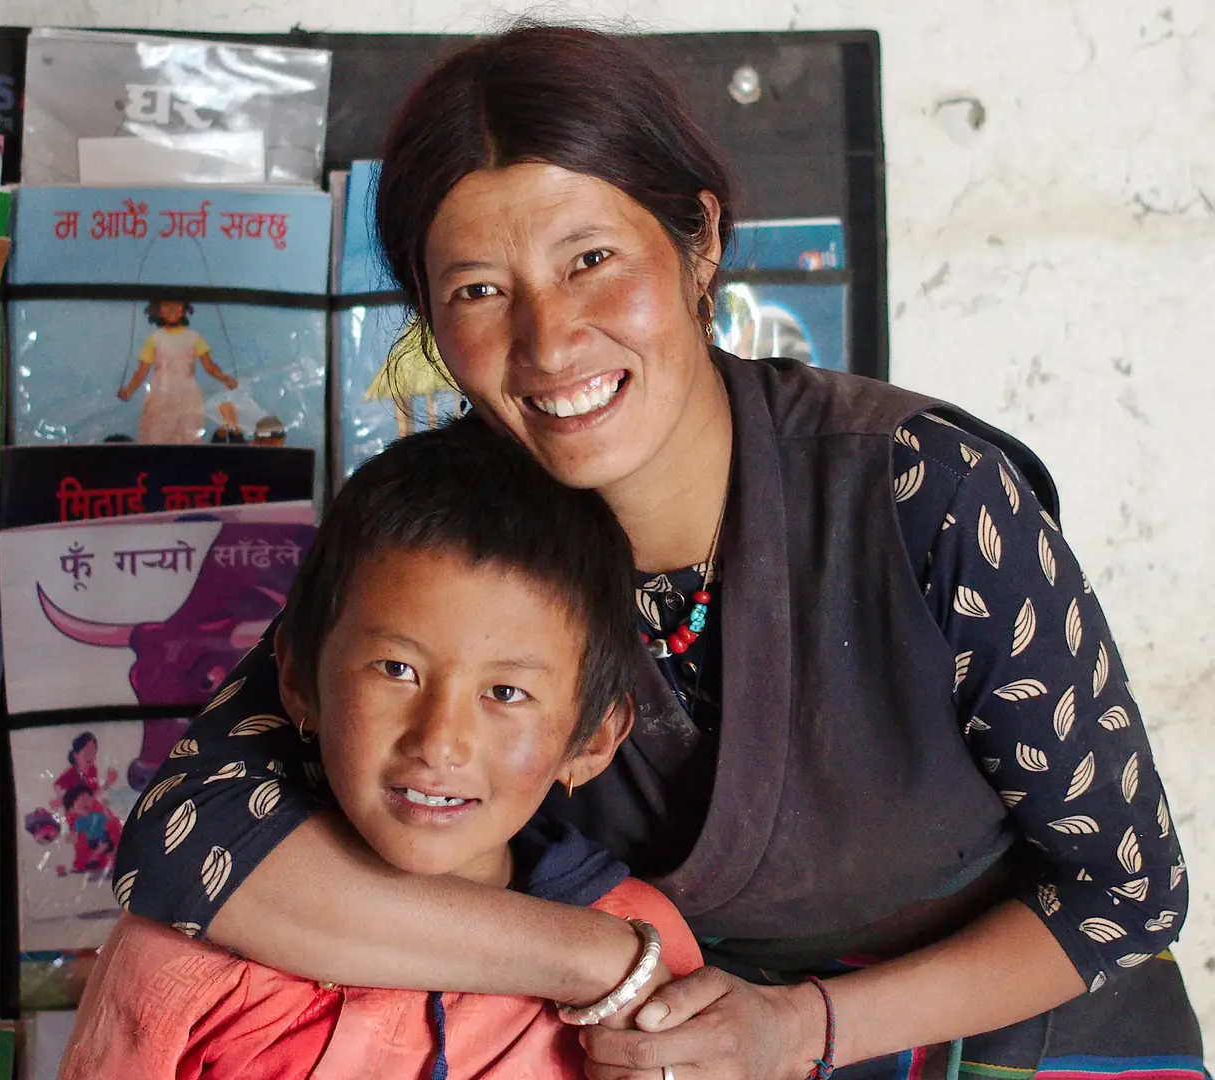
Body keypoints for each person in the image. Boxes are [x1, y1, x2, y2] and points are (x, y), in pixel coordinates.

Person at [113, 25, 1203, 1080]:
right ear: (432, 327)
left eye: (591, 258)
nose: (548, 340)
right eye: (479, 290)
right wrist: (594, 957)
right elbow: (184, 843)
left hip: (1029, 1030)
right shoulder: (444, 540)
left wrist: (800, 1030)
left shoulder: (926, 492)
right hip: (673, 1040)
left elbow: (1129, 887)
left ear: (701, 242)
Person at [62, 423, 702, 1079]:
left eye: (506, 691)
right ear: (298, 682)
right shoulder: (177, 964)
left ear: (591, 739)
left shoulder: (648, 954)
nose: (438, 741)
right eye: (396, 670)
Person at [117, 299, 238, 443]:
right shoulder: (155, 339)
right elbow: (142, 371)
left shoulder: (193, 337)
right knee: (157, 434)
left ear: (185, 309)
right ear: (158, 310)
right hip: (161, 393)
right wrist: (129, 390)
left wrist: (225, 378)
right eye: (166, 304)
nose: (172, 309)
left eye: (177, 304)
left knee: (188, 435)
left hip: (187, 394)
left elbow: (209, 366)